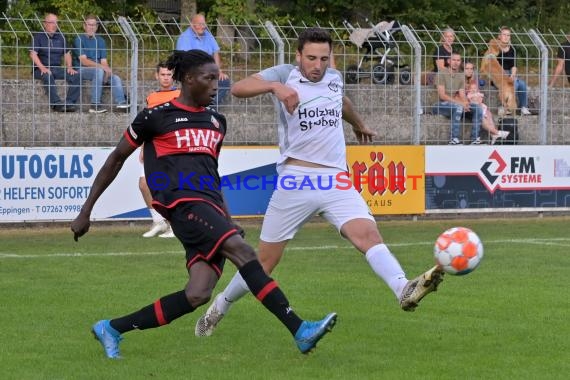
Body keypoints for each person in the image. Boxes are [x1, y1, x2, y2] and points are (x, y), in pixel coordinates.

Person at [70, 49, 336, 359]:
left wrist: (227, 217)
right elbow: (116, 158)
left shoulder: (216, 121)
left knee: (197, 293)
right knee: (245, 253)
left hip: (207, 207)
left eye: (217, 78)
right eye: (209, 78)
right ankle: (299, 329)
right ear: (187, 79)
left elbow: (212, 175)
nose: (216, 85)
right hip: (182, 206)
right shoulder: (155, 117)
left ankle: (111, 328)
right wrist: (86, 210)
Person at [194, 28, 444, 338]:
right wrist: (274, 87)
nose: (317, 65)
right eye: (311, 58)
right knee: (265, 263)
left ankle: (402, 288)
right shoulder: (285, 74)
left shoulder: (334, 77)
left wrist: (359, 124)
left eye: (324, 58)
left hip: (335, 179)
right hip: (296, 180)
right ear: (298, 56)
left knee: (367, 233)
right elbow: (238, 88)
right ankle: (221, 305)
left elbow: (342, 102)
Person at [140, 62, 181, 238]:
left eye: (169, 74)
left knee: (168, 186)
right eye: (163, 74)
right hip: (152, 147)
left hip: (171, 148)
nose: (166, 77)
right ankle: (159, 221)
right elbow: (146, 124)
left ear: (173, 77)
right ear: (157, 76)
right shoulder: (151, 97)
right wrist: (142, 147)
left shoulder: (180, 95)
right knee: (144, 184)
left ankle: (175, 226)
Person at [72, 15, 130, 113]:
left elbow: (104, 61)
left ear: (97, 26)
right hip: (82, 69)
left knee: (115, 77)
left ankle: (122, 103)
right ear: (84, 26)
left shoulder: (101, 41)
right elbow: (84, 61)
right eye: (89, 25)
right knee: (99, 71)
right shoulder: (79, 40)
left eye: (94, 25)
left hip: (99, 70)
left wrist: (107, 70)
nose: (91, 27)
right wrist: (103, 68)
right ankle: (95, 105)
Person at [29, 13, 80, 112]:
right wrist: (42, 68)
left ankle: (69, 103)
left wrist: (69, 67)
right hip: (40, 69)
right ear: (45, 24)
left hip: (57, 69)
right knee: (48, 75)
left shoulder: (61, 37)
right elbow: (33, 54)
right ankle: (56, 104)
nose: (54, 25)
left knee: (76, 76)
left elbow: (67, 53)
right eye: (51, 22)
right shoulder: (38, 37)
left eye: (56, 22)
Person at [176, 13, 230, 107]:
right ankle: (204, 105)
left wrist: (218, 71)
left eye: (204, 24)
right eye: (199, 24)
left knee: (224, 81)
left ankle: (211, 106)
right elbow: (184, 60)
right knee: (202, 81)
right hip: (194, 72)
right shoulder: (185, 38)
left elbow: (215, 52)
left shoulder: (208, 35)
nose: (203, 26)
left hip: (209, 71)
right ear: (192, 25)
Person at [432, 52, 483, 145]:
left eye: (458, 60)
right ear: (448, 61)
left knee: (478, 108)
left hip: (454, 105)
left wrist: (466, 103)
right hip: (440, 105)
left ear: (460, 62)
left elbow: (462, 93)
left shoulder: (460, 76)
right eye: (453, 60)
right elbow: (442, 96)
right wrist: (460, 104)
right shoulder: (441, 74)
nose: (456, 62)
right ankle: (454, 139)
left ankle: (475, 139)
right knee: (458, 107)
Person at [464, 62, 509, 144]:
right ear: (463, 70)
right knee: (480, 113)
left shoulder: (474, 81)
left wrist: (478, 101)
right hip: (467, 106)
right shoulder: (460, 81)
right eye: (467, 68)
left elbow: (477, 95)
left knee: (488, 113)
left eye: (471, 69)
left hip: (476, 104)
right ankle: (496, 132)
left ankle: (493, 135)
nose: (469, 71)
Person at [496, 26, 531, 115]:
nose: (506, 37)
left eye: (508, 35)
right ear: (499, 36)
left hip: (509, 73)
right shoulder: (495, 48)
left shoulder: (512, 49)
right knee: (514, 83)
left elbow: (514, 65)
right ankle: (504, 106)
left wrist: (513, 74)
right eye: (504, 34)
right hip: (498, 74)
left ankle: (523, 107)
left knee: (522, 84)